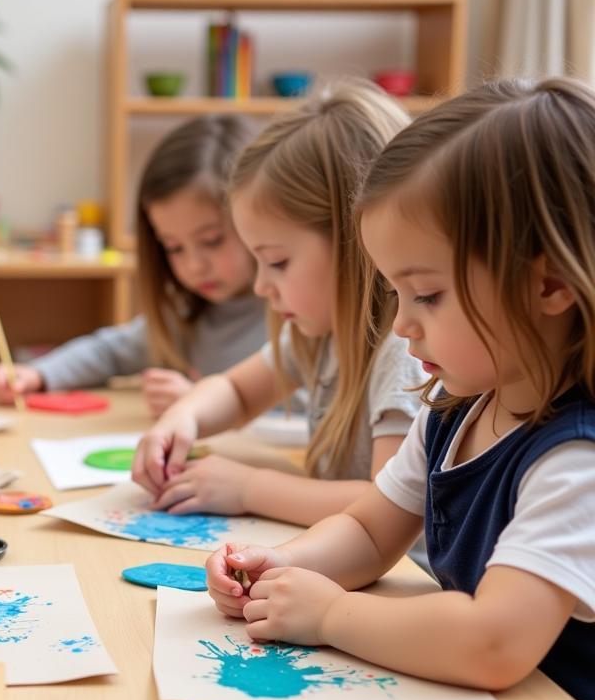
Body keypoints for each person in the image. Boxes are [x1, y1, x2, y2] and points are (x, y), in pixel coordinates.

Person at [207, 78, 595, 700]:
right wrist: (277, 566)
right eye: (395, 293)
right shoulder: (454, 407)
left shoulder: (576, 462)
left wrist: (332, 615)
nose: (401, 325)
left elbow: (492, 644)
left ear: (547, 284)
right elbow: (368, 531)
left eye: (428, 295)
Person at [133, 81, 424, 527]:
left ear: (356, 244)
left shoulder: (403, 352)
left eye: (277, 262)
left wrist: (248, 488)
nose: (261, 287)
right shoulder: (318, 335)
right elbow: (237, 391)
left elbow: (388, 507)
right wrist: (181, 417)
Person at [0, 116, 267, 417]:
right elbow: (109, 351)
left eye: (212, 241)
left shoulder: (297, 316)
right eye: (173, 247)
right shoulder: (185, 315)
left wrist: (205, 405)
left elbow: (311, 421)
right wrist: (38, 374)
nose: (193, 266)